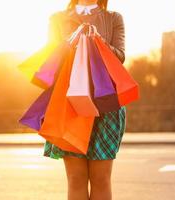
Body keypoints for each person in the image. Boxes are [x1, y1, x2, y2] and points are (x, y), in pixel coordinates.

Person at [42, 0, 126, 200]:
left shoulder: (113, 18)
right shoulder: (57, 19)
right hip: (68, 105)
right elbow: (50, 60)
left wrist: (99, 42)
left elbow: (120, 57)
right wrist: (71, 41)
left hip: (105, 105)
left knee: (101, 179)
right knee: (76, 178)